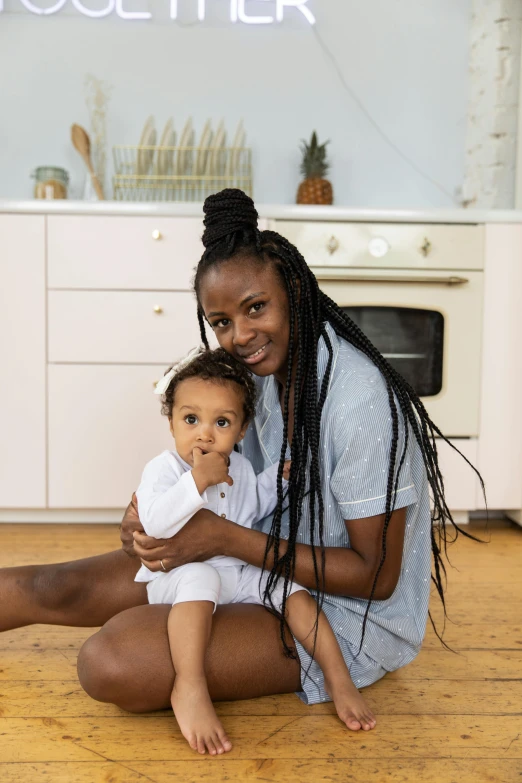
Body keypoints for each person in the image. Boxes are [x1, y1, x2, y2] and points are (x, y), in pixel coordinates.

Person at [0, 189, 476, 747]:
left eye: (256, 308)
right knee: (55, 586)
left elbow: (376, 578)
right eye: (221, 321)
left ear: (294, 290)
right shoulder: (256, 376)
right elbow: (219, 474)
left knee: (113, 658)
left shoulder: (359, 405)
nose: (241, 337)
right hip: (247, 556)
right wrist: (145, 520)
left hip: (339, 614)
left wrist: (222, 537)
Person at [136, 346, 376, 754]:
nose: (205, 434)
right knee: (201, 575)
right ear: (172, 421)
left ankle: (338, 677)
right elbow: (156, 522)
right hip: (178, 578)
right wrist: (196, 481)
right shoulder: (164, 469)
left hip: (236, 572)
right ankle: (190, 684)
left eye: (222, 422)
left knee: (291, 587)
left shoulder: (241, 469)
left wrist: (278, 480)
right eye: (190, 419)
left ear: (242, 430)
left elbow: (256, 505)